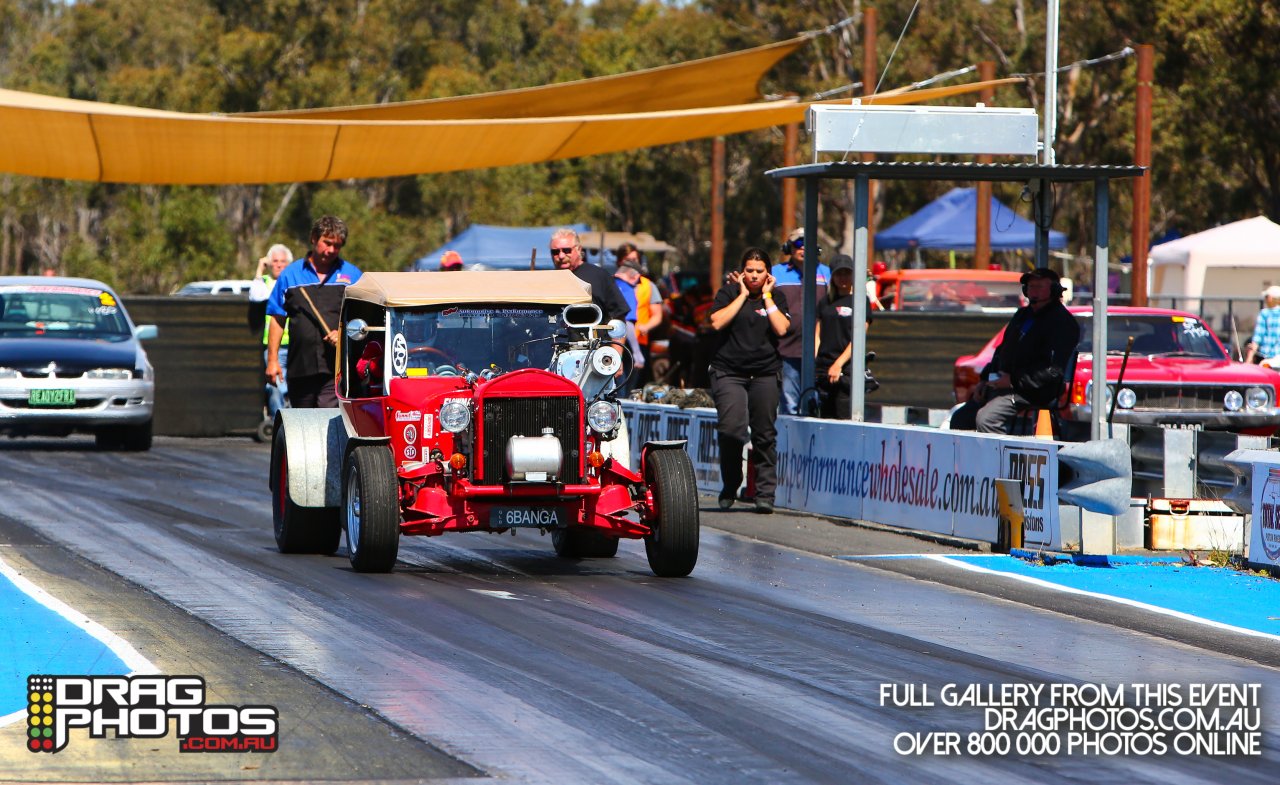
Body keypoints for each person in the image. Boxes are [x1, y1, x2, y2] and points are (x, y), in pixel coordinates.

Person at [708, 247, 790, 514]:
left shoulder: (777, 296)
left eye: (759, 271)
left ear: (768, 273)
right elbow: (717, 323)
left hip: (765, 373)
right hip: (729, 372)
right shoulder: (729, 293)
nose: (754, 276)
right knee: (732, 430)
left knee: (765, 434)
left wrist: (766, 296)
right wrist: (742, 294)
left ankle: (765, 494)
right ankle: (731, 484)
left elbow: (781, 328)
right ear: (742, 271)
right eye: (749, 271)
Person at [950, 267, 1080, 434]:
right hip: (1009, 385)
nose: (1033, 291)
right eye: (1030, 286)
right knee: (961, 418)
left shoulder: (1063, 323)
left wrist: (1013, 381)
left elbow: (1052, 371)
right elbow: (1002, 351)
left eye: (1039, 286)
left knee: (986, 419)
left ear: (1054, 290)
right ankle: (969, 460)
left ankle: (997, 460)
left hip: (1036, 390)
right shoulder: (1022, 315)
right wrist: (985, 379)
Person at [266, 216, 362, 408]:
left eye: (337, 246)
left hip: (336, 369)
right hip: (300, 367)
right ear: (313, 238)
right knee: (302, 424)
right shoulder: (290, 275)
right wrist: (272, 360)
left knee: (327, 419)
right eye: (327, 243)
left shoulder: (352, 276)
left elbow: (363, 319)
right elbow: (277, 319)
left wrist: (343, 334)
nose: (331, 250)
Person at [770, 228, 830, 415]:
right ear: (789, 247)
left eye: (808, 244)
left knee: (817, 402)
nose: (803, 248)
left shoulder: (826, 273)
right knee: (789, 403)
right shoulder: (775, 273)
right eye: (798, 243)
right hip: (786, 350)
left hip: (819, 352)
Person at [814, 254, 873, 419]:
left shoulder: (861, 301)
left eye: (847, 273)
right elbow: (817, 334)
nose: (843, 278)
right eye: (839, 274)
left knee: (843, 417)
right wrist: (816, 359)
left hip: (846, 369)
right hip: (823, 369)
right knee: (824, 418)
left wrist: (838, 364)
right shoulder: (825, 302)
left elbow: (859, 338)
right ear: (832, 277)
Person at [549, 228, 630, 323]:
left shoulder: (600, 276)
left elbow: (618, 316)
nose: (561, 256)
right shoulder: (548, 280)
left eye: (566, 250)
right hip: (555, 337)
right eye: (555, 252)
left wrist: (616, 337)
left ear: (578, 249)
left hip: (592, 337)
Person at [250, 243, 293, 418]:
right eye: (274, 261)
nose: (278, 264)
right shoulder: (267, 283)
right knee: (275, 384)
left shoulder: (293, 281)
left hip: (296, 344)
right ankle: (279, 420)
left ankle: (294, 419)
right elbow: (256, 296)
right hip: (275, 345)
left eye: (283, 261)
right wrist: (260, 271)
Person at [1245, 285, 1280, 363]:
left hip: (1266, 358)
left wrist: (1249, 358)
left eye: (1266, 297)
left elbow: (1257, 337)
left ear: (1270, 298)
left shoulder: (1265, 314)